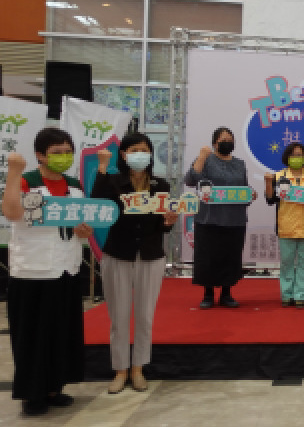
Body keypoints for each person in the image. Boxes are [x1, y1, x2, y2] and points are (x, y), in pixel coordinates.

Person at [2, 127, 92, 416]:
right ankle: (33, 394)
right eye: (56, 152)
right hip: (32, 271)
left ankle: (55, 387)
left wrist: (83, 231)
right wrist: (13, 172)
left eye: (68, 152)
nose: (63, 156)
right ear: (40, 155)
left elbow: (79, 224)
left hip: (66, 268)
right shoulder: (27, 181)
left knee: (61, 333)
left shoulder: (75, 185)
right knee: (32, 336)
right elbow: (12, 213)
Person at [90, 132, 178, 394]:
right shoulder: (113, 181)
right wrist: (102, 167)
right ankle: (120, 369)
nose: (140, 154)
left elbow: (161, 225)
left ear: (151, 154)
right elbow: (97, 205)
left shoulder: (161, 185)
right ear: (124, 154)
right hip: (118, 254)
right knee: (118, 316)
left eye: (144, 150)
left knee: (145, 316)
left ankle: (138, 368)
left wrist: (168, 222)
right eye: (134, 150)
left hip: (150, 256)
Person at [184, 127, 251, 309]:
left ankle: (226, 294)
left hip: (234, 219)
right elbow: (191, 180)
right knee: (208, 258)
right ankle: (208, 294)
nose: (227, 142)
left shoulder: (240, 164)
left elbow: (244, 188)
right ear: (215, 143)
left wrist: (249, 195)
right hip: (208, 219)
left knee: (230, 257)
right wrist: (201, 157)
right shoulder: (206, 159)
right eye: (223, 139)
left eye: (230, 139)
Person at [265, 142, 304, 308]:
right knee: (287, 263)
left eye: (299, 155)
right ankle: (286, 294)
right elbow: (270, 200)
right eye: (293, 155)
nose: (296, 158)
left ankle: (300, 296)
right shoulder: (278, 176)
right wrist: (268, 182)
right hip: (286, 226)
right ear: (287, 157)